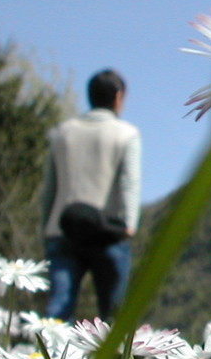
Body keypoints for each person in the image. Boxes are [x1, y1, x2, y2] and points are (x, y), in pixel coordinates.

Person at [41, 69, 141, 321]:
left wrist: (47, 227)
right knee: (113, 315)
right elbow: (129, 182)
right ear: (118, 97)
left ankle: (50, 358)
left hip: (62, 230)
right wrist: (129, 224)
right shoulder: (126, 134)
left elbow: (49, 188)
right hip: (108, 233)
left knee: (59, 310)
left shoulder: (62, 132)